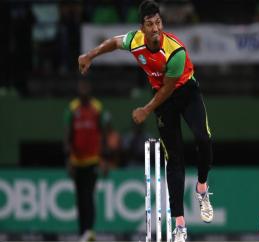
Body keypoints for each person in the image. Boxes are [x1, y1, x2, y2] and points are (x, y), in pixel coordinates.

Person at [78, 1, 213, 241]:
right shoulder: (135, 40)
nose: (155, 29)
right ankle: (180, 226)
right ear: (142, 27)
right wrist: (90, 55)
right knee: (175, 158)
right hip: (162, 100)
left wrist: (146, 110)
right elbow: (113, 42)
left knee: (203, 139)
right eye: (150, 24)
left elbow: (169, 88)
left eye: (158, 23)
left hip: (185, 92)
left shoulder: (175, 51)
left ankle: (202, 188)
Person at [64, 79, 111, 242]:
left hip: (93, 160)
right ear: (78, 89)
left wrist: (105, 158)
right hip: (77, 161)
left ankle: (90, 231)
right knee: (79, 198)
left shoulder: (97, 108)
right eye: (80, 87)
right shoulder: (72, 108)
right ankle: (82, 232)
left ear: (90, 89)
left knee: (89, 196)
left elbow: (103, 134)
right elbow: (68, 136)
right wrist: (68, 159)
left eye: (86, 86)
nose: (83, 89)